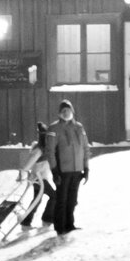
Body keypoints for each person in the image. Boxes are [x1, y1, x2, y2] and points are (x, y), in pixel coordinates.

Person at [46, 100, 90, 236]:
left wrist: (86, 168)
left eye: (68, 110)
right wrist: (54, 171)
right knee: (62, 200)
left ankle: (69, 224)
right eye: (63, 111)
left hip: (77, 170)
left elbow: (85, 148)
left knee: (72, 200)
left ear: (72, 111)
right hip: (62, 171)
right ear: (59, 113)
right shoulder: (54, 128)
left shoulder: (79, 127)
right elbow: (50, 151)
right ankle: (60, 227)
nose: (66, 113)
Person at [17, 122, 56, 230]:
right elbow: (29, 163)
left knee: (36, 200)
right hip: (39, 179)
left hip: (39, 178)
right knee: (54, 197)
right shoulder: (39, 150)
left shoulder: (44, 149)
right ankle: (47, 220)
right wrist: (23, 172)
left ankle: (26, 222)